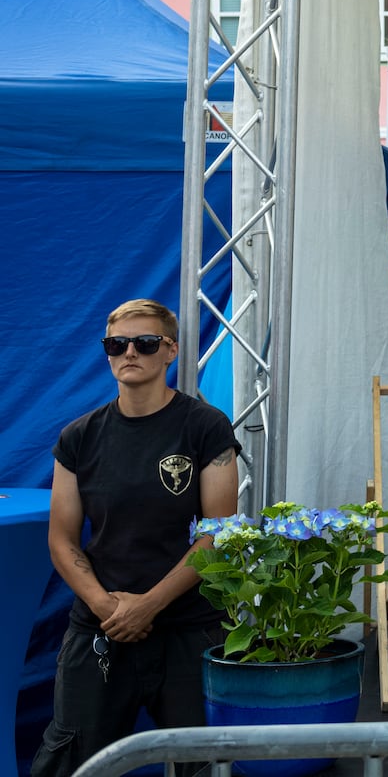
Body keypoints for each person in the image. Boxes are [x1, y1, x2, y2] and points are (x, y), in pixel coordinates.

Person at [31, 299, 241, 777]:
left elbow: (218, 534)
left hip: (190, 627)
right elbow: (62, 541)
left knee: (206, 764)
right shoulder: (78, 437)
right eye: (117, 344)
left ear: (170, 351)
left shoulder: (204, 427)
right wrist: (111, 610)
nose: (130, 352)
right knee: (70, 761)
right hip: (101, 629)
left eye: (145, 343)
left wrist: (147, 606)